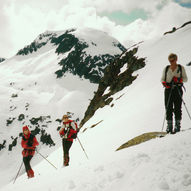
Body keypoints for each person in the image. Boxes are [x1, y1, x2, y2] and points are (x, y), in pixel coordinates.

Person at [161, 53, 188, 133]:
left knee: (177, 108)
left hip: (177, 89)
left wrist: (179, 80)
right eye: (170, 60)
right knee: (168, 108)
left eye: (173, 60)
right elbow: (162, 79)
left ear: (176, 59)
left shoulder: (180, 68)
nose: (171, 62)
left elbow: (185, 79)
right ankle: (169, 126)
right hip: (168, 90)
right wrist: (164, 83)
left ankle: (177, 126)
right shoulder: (166, 68)